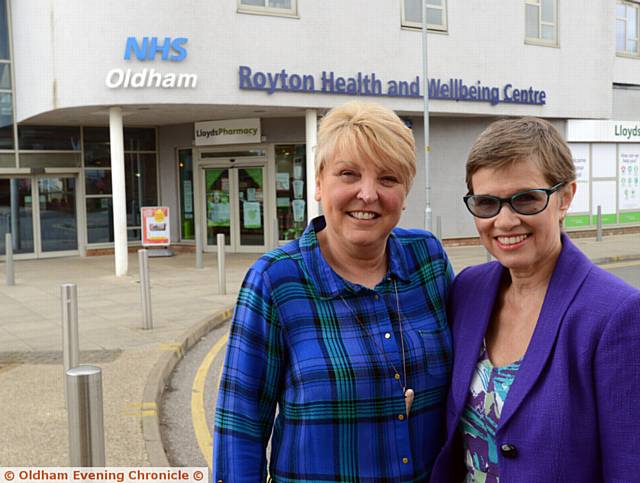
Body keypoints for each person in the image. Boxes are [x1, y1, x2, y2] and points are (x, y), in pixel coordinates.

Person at [213, 101, 453, 481]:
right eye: (349, 174)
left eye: (388, 179)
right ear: (320, 183)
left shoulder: (428, 261)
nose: (368, 194)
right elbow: (240, 427)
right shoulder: (276, 280)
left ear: (405, 193)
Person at [430, 117, 640, 482]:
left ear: (566, 197)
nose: (505, 220)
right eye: (487, 203)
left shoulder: (616, 314)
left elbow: (628, 464)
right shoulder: (467, 290)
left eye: (526, 199)